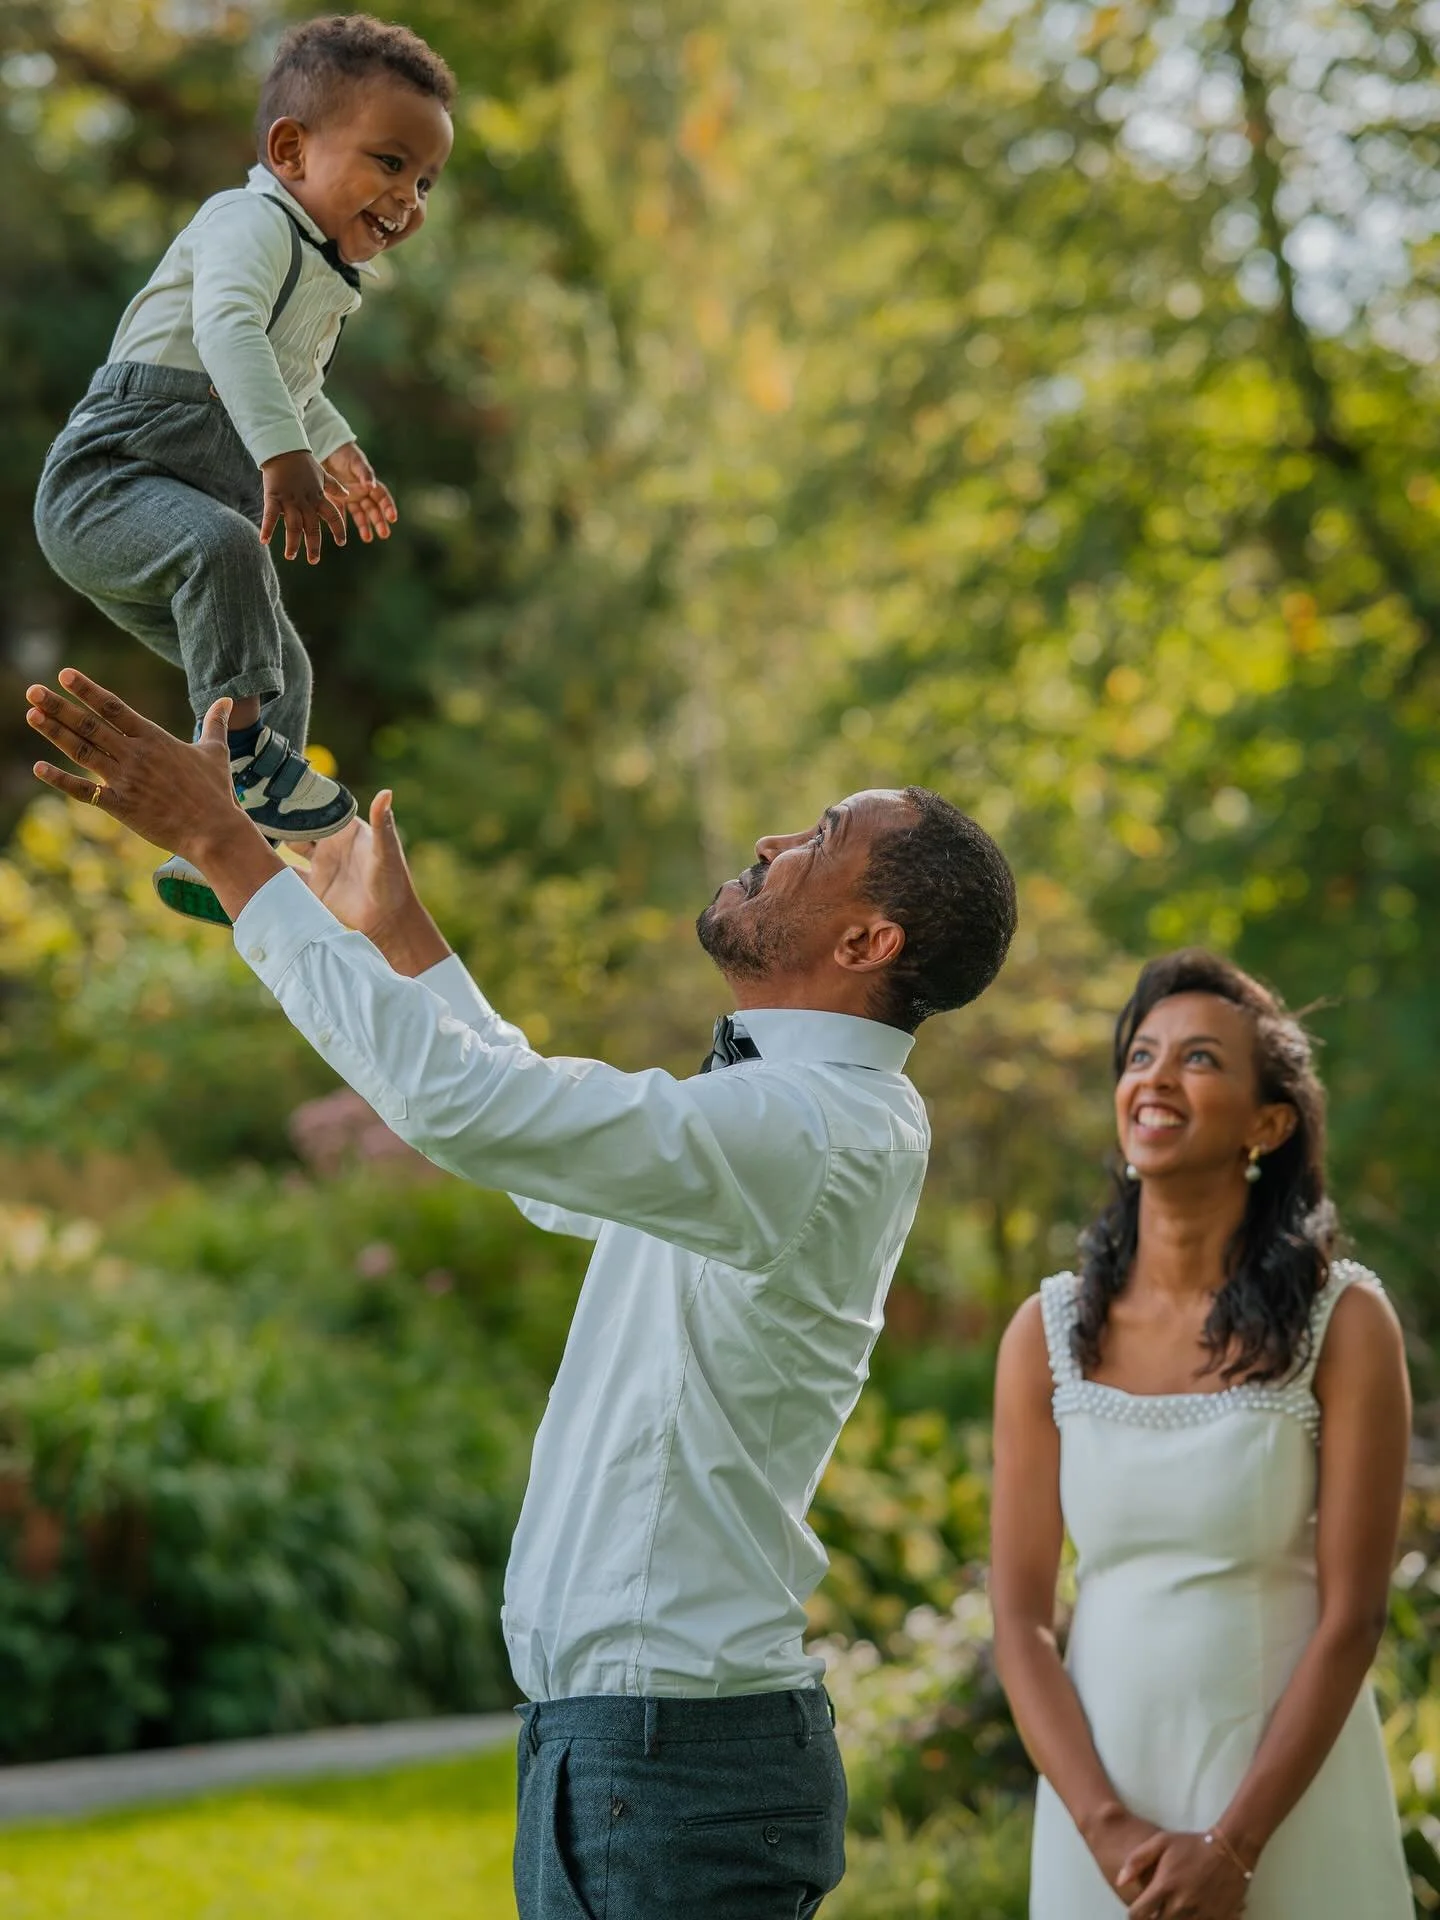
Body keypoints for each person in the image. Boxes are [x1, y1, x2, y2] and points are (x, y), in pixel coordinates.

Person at [23, 669, 1018, 1919]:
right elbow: (551, 1166)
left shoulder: (815, 1128)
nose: (774, 841)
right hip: (627, 1751)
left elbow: (473, 1113)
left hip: (670, 1763)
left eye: (822, 838)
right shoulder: (793, 1118)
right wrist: (404, 945)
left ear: (869, 942)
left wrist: (225, 844)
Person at [990, 949, 1412, 1920]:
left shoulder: (1342, 1323)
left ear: (1268, 1124)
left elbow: (1353, 1618)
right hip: (1103, 1820)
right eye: (1141, 1055)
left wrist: (1236, 1847)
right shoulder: (1044, 1334)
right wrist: (1106, 1830)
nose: (1157, 1077)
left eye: (1201, 1059)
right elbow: (1020, 1623)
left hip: (1284, 1807)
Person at [32, 15, 455, 924]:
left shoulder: (322, 273)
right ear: (292, 149)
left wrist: (332, 447)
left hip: (176, 505)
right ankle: (250, 798)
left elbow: (286, 374)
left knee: (278, 669)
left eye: (424, 180)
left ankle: (226, 852)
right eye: (389, 162)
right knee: (229, 548)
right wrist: (283, 456)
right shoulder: (248, 220)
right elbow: (228, 334)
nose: (409, 198)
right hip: (109, 483)